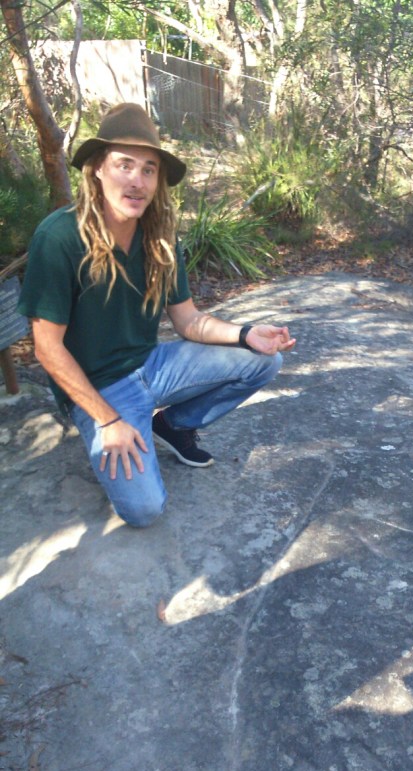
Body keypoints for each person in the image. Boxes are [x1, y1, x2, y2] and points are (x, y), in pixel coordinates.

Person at [18, 103, 295, 527]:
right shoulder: (59, 238)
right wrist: (108, 420)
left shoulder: (159, 235)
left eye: (149, 169)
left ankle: (172, 425)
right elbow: (47, 347)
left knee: (265, 360)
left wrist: (245, 334)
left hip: (152, 366)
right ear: (96, 168)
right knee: (145, 510)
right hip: (102, 389)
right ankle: (120, 430)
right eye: (124, 165)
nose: (137, 180)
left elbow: (188, 321)